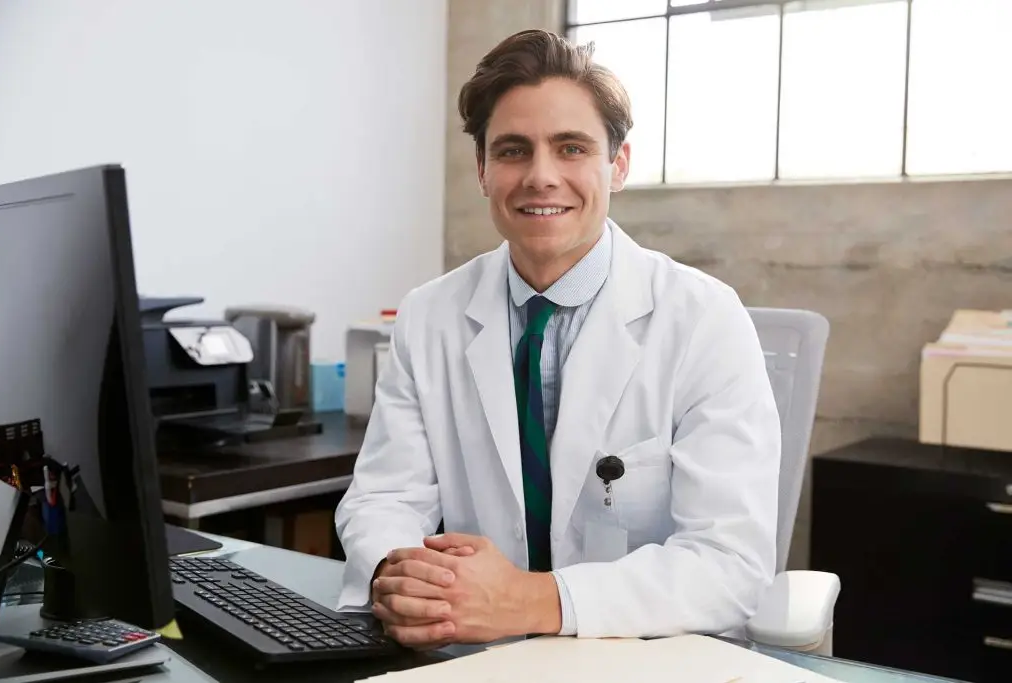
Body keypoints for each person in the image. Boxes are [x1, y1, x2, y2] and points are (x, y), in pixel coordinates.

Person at [334, 28, 781, 649]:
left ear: (617, 165)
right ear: (483, 171)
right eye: (514, 151)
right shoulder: (429, 315)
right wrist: (399, 574)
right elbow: (385, 496)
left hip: (645, 653)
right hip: (475, 653)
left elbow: (730, 562)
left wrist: (529, 600)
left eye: (571, 148)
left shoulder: (704, 318)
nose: (541, 177)